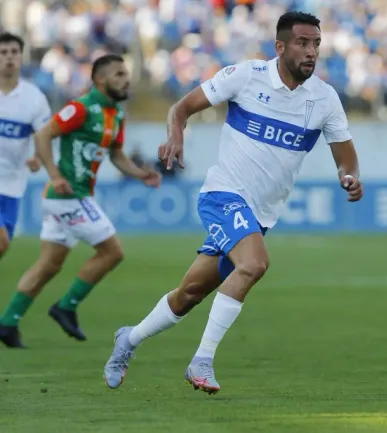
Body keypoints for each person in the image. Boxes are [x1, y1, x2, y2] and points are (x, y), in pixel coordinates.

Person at [103, 11, 363, 393]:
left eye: (316, 44)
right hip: (223, 195)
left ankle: (129, 339)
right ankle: (202, 361)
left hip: (260, 215)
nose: (312, 52)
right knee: (255, 263)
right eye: (303, 43)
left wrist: (349, 176)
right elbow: (182, 107)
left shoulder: (324, 99)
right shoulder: (246, 76)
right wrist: (176, 135)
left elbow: (346, 155)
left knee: (189, 294)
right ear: (281, 46)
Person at [0, 54, 162, 348]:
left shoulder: (117, 115)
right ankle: (66, 306)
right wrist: (54, 174)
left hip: (73, 196)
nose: (126, 79)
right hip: (67, 195)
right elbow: (43, 135)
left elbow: (116, 155)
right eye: (119, 74)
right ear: (100, 80)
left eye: (126, 74)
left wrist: (140, 174)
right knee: (112, 252)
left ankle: (8, 323)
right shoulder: (81, 108)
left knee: (48, 265)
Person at [0, 32, 51, 261]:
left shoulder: (34, 98)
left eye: (14, 52)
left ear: (21, 57)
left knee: (3, 245)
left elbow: (44, 135)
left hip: (12, 184)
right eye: (3, 52)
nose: (9, 57)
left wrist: (38, 158)